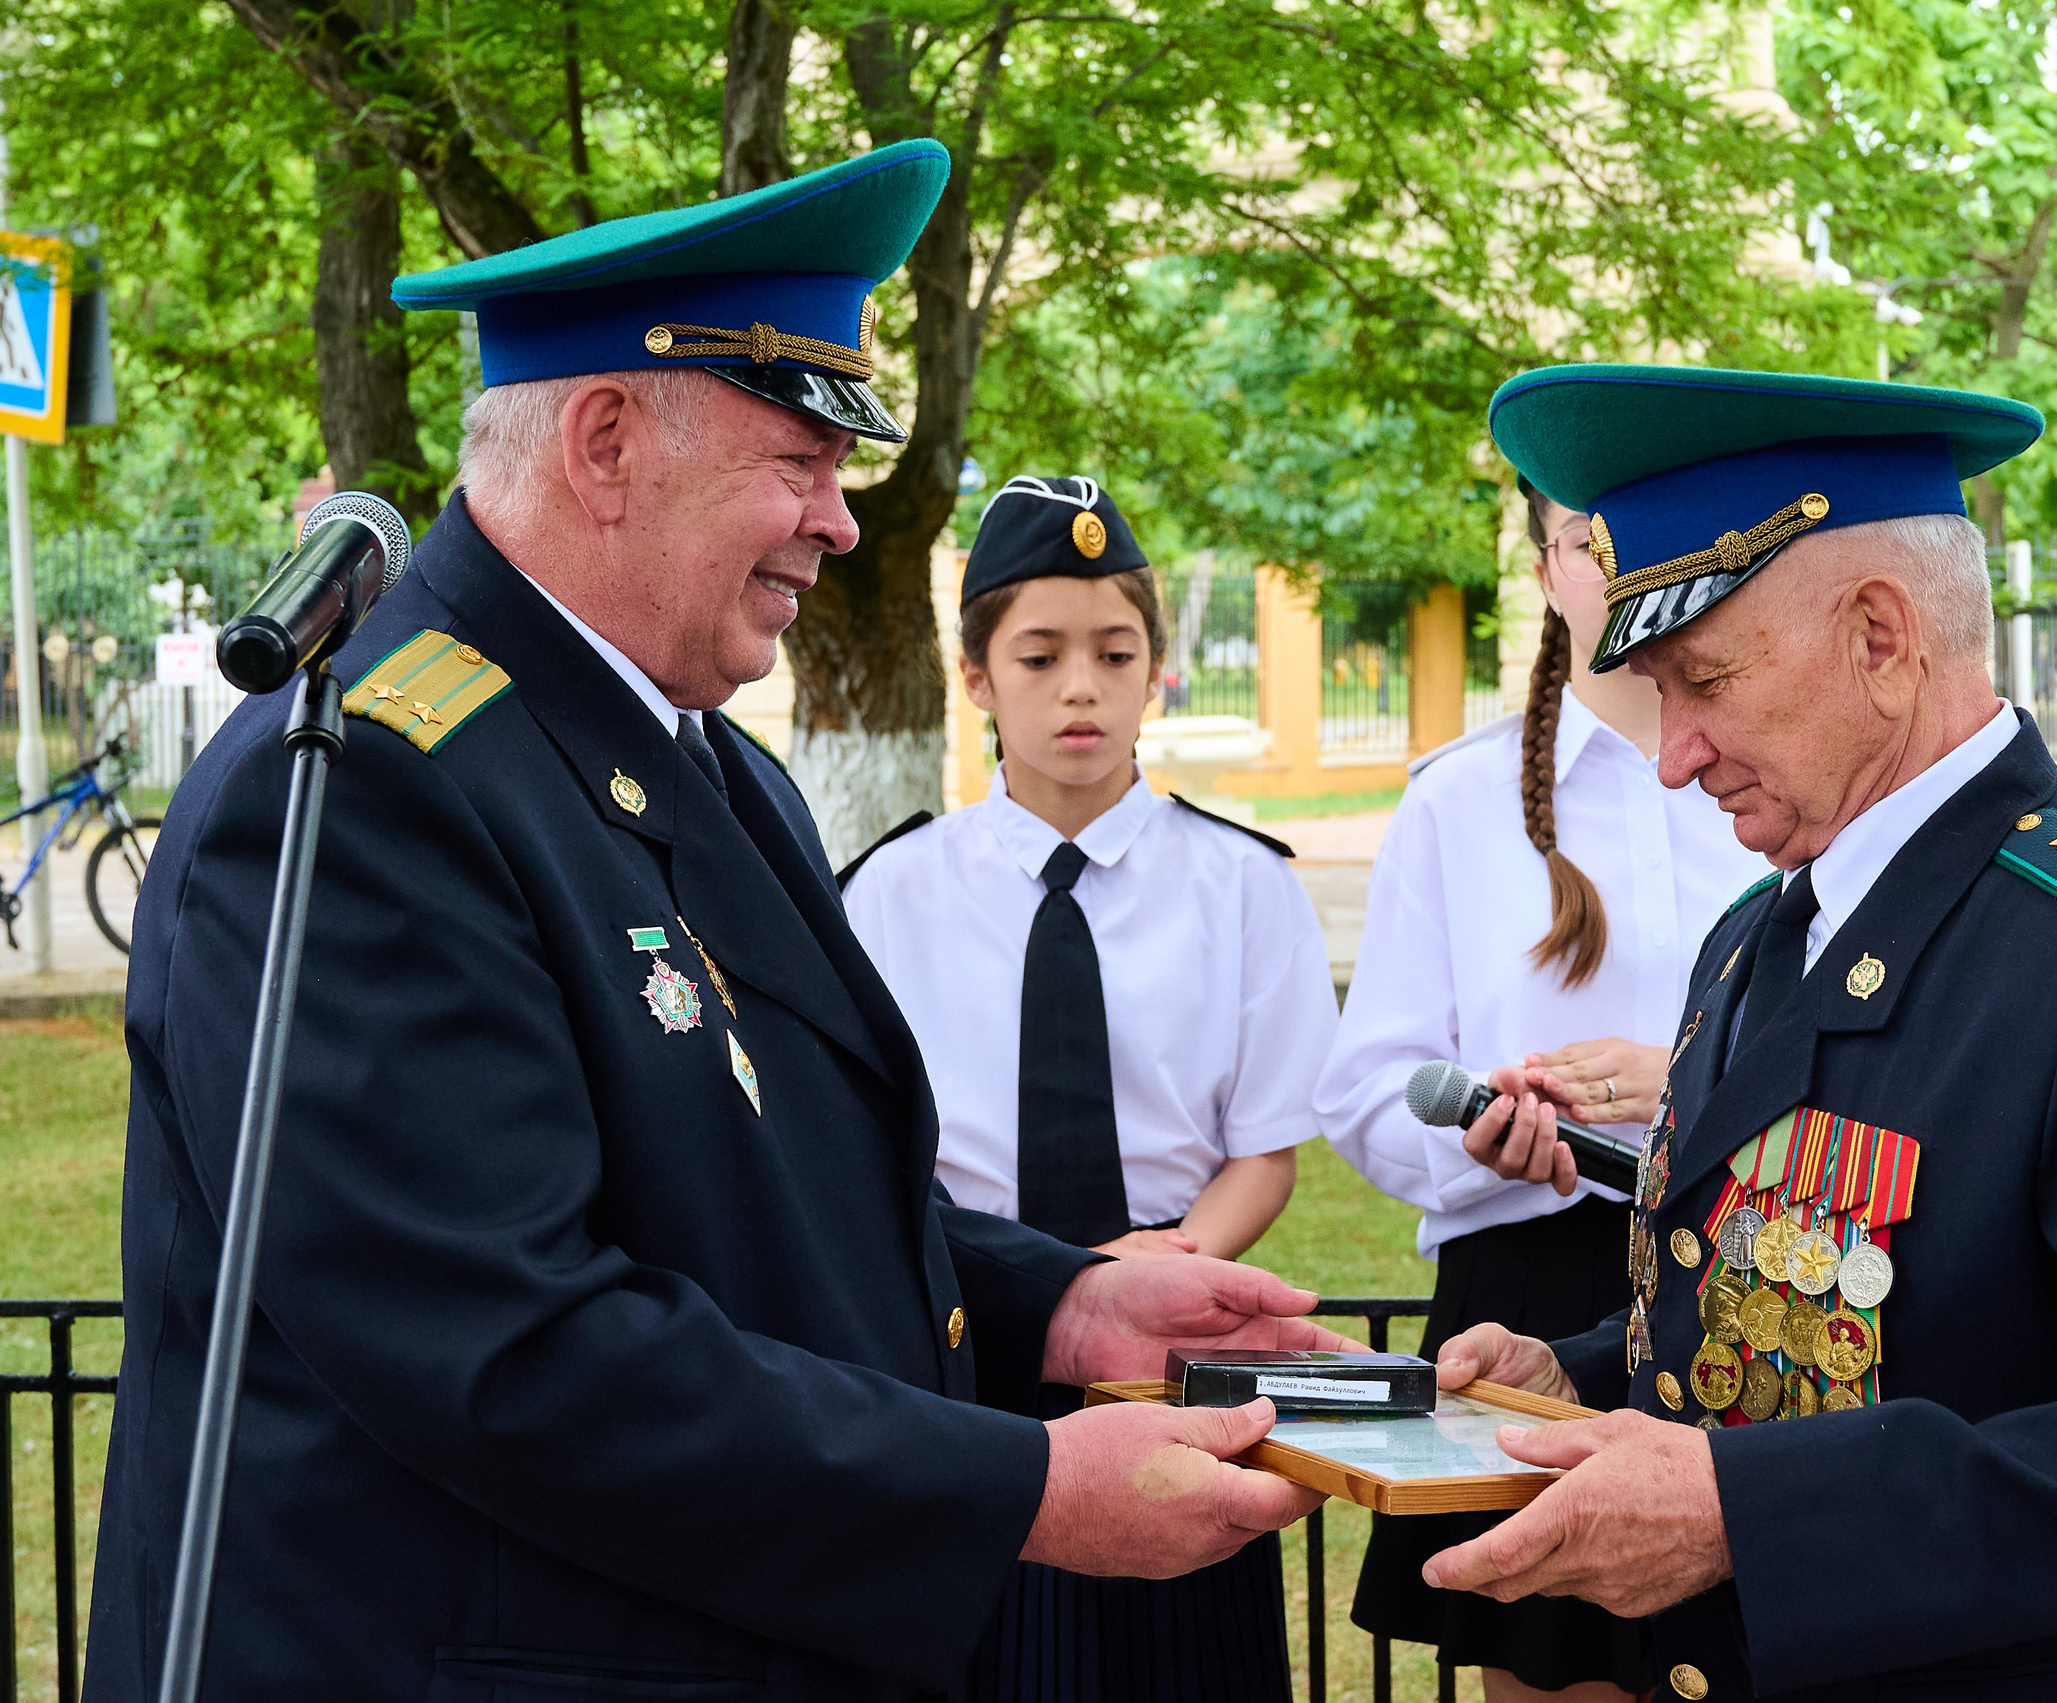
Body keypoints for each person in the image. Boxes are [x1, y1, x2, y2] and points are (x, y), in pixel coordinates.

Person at [88, 146, 1343, 1703]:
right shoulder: (364, 786)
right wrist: (1013, 1489)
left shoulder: (709, 761)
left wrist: (1059, 1296)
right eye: (801, 460)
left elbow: (759, 1195)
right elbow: (510, 1347)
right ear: (609, 441)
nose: (841, 523)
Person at [1416, 363, 2057, 1702]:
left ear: (1883, 638)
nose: (1675, 754)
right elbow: (1825, 1293)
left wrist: (1743, 1511)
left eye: (1705, 680)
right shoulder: (1759, 932)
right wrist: (1577, 1365)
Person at [843, 473, 1337, 1702]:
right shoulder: (888, 894)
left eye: (1116, 652)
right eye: (1040, 653)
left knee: (1185, 1649)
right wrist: (1047, 1286)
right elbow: (865, 1153)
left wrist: (1150, 1273)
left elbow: (1264, 1145)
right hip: (966, 1341)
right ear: (975, 678)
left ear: (1158, 671)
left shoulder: (1244, 885)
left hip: (1174, 1339)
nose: (1080, 687)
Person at [1318, 478, 1767, 1703]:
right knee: (1551, 1670)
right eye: (1587, 538)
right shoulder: (1456, 800)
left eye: (1648, 538)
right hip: (1529, 1291)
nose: (1616, 569)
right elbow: (1363, 1086)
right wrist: (1483, 1139)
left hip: (1747, 1281)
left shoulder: (1772, 778)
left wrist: (1679, 1084)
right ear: (1543, 564)